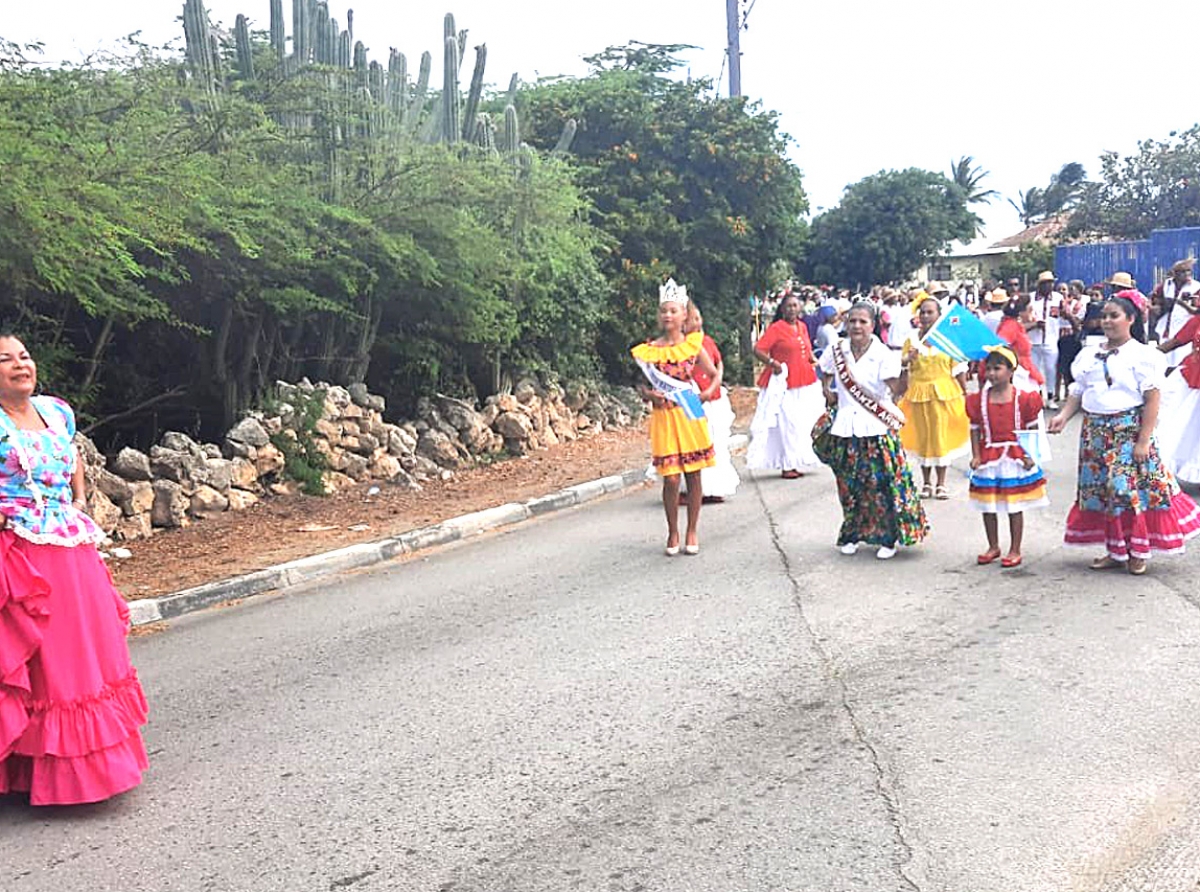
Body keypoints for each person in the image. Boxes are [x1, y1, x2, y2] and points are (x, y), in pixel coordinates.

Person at [0, 334, 149, 806]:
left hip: (72, 545)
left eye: (23, 356)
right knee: (47, 665)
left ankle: (89, 766)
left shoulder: (55, 411)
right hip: (23, 553)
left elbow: (73, 454)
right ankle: (38, 772)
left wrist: (79, 499)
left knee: (85, 654)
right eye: (4, 360)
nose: (19, 365)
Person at [1048, 294, 1200, 574]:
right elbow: (1079, 392)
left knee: (1126, 491)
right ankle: (1115, 549)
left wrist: (1143, 440)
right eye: (1104, 316)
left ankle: (1138, 551)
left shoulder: (1143, 355)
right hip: (1095, 433)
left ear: (1131, 319)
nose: (1107, 321)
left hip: (1128, 432)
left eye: (1114, 315)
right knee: (1104, 493)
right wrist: (1062, 416)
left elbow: (1152, 399)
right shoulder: (1089, 354)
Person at [815, 303, 929, 560]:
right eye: (852, 321)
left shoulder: (882, 353)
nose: (856, 326)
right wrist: (827, 390)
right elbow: (824, 370)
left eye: (862, 322)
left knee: (880, 485)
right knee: (849, 486)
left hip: (876, 426)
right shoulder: (837, 350)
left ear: (873, 325)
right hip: (845, 427)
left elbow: (897, 390)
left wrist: (908, 368)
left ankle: (886, 537)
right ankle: (852, 534)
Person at [632, 280, 720, 556]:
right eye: (663, 311)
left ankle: (692, 530)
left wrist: (707, 392)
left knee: (694, 474)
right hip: (663, 416)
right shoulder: (648, 350)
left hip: (690, 410)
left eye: (673, 311)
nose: (667, 316)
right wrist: (649, 394)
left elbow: (715, 371)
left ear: (683, 315)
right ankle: (673, 531)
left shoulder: (693, 345)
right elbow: (639, 385)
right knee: (670, 478)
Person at [967, 347, 1049, 568]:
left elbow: (1032, 429)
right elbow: (974, 429)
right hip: (989, 457)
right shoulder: (978, 400)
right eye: (989, 369)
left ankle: (1015, 548)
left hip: (1015, 458)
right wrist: (976, 455)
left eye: (998, 368)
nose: (992, 374)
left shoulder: (1024, 399)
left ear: (1011, 370)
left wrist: (1032, 455)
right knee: (988, 505)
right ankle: (993, 545)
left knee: (1014, 505)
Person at [748, 293, 825, 479]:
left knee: (803, 423)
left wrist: (816, 361)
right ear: (782, 309)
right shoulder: (777, 328)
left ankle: (798, 459)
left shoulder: (803, 327)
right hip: (784, 384)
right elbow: (758, 349)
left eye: (795, 305)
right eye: (788, 306)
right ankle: (787, 464)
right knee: (787, 424)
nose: (792, 309)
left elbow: (806, 350)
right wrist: (772, 363)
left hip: (804, 380)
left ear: (800, 308)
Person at [899, 297, 969, 499]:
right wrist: (907, 360)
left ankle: (941, 483)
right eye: (923, 312)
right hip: (918, 393)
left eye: (930, 312)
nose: (926, 316)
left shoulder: (948, 338)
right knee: (923, 437)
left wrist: (965, 393)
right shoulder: (911, 340)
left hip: (944, 393)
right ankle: (926, 482)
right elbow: (903, 368)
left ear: (939, 315)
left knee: (940, 436)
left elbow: (958, 369)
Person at [684, 302, 740, 502]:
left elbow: (718, 363)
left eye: (699, 318)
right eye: (693, 319)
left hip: (713, 397)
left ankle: (714, 487)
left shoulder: (706, 341)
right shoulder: (680, 345)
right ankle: (692, 489)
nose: (698, 322)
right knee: (696, 443)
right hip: (693, 399)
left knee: (715, 441)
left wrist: (713, 386)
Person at [1154, 305, 1200, 485]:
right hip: (1192, 382)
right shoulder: (1196, 321)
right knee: (1184, 429)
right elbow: (1175, 342)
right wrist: (1145, 355)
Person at [1152, 258, 1199, 370]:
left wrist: (1181, 303)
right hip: (1165, 328)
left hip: (1185, 328)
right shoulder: (1166, 285)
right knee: (1163, 360)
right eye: (1183, 271)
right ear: (1175, 273)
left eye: (1189, 271)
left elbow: (1196, 311)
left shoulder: (1196, 287)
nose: (1187, 274)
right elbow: (1156, 299)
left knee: (1180, 360)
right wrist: (1158, 307)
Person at [1027, 271, 1063, 407]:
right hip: (1033, 339)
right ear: (1040, 285)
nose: (1049, 286)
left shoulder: (1058, 298)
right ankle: (1036, 396)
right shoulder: (1031, 298)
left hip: (1051, 339)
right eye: (1046, 283)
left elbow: (1064, 313)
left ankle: (1050, 397)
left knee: (1051, 369)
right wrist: (1035, 322)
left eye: (1051, 283)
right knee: (1034, 370)